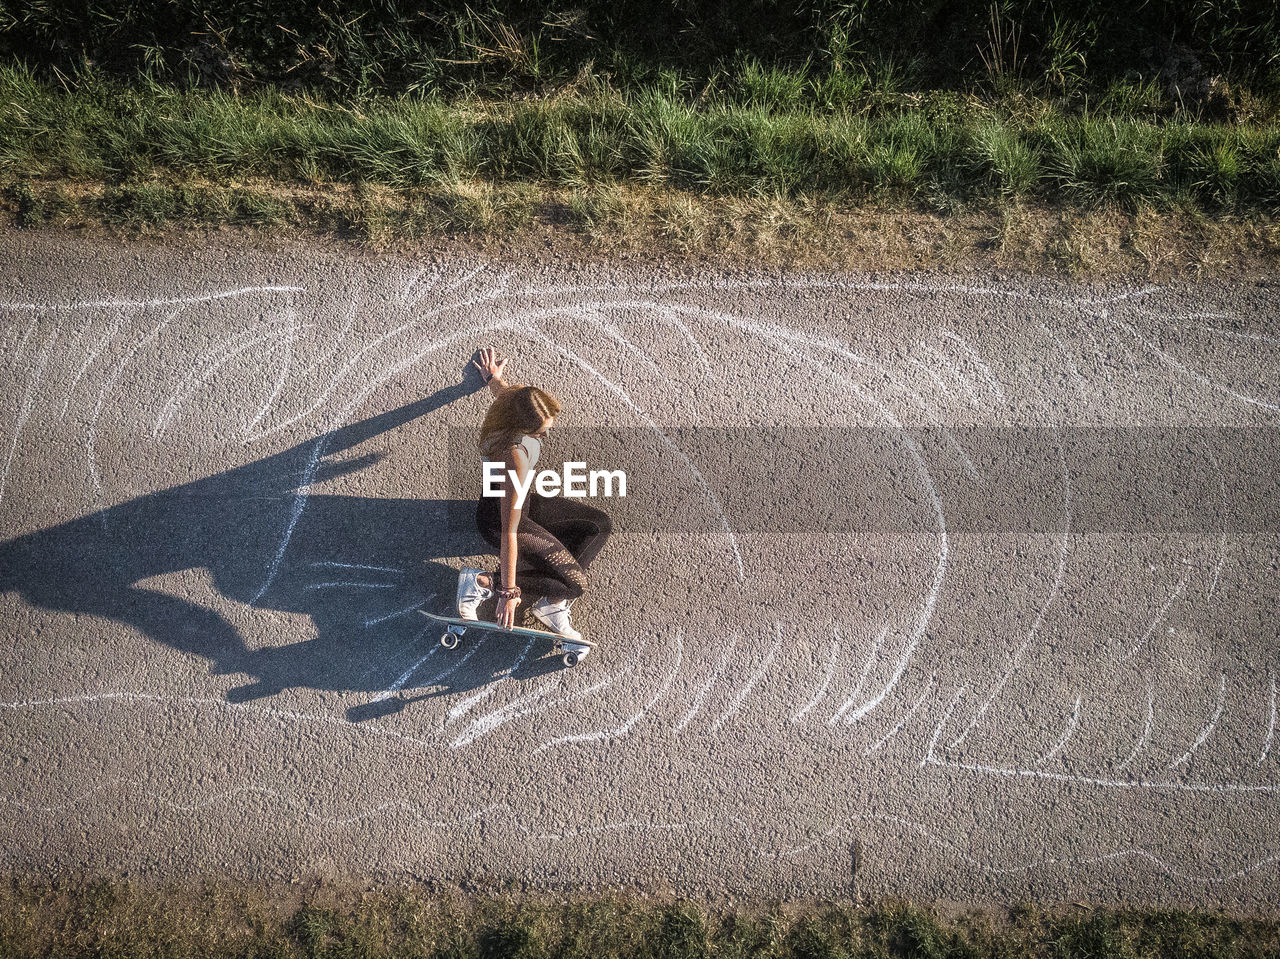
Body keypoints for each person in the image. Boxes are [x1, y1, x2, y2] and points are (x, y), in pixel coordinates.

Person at [456, 347, 612, 660]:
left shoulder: (512, 401)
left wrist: (493, 379)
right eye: (542, 427)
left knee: (598, 526)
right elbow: (509, 532)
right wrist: (508, 592)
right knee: (574, 584)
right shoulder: (514, 457)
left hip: (522, 499)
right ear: (522, 426)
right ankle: (482, 581)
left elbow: (504, 393)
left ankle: (551, 604)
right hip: (500, 519)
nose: (549, 428)